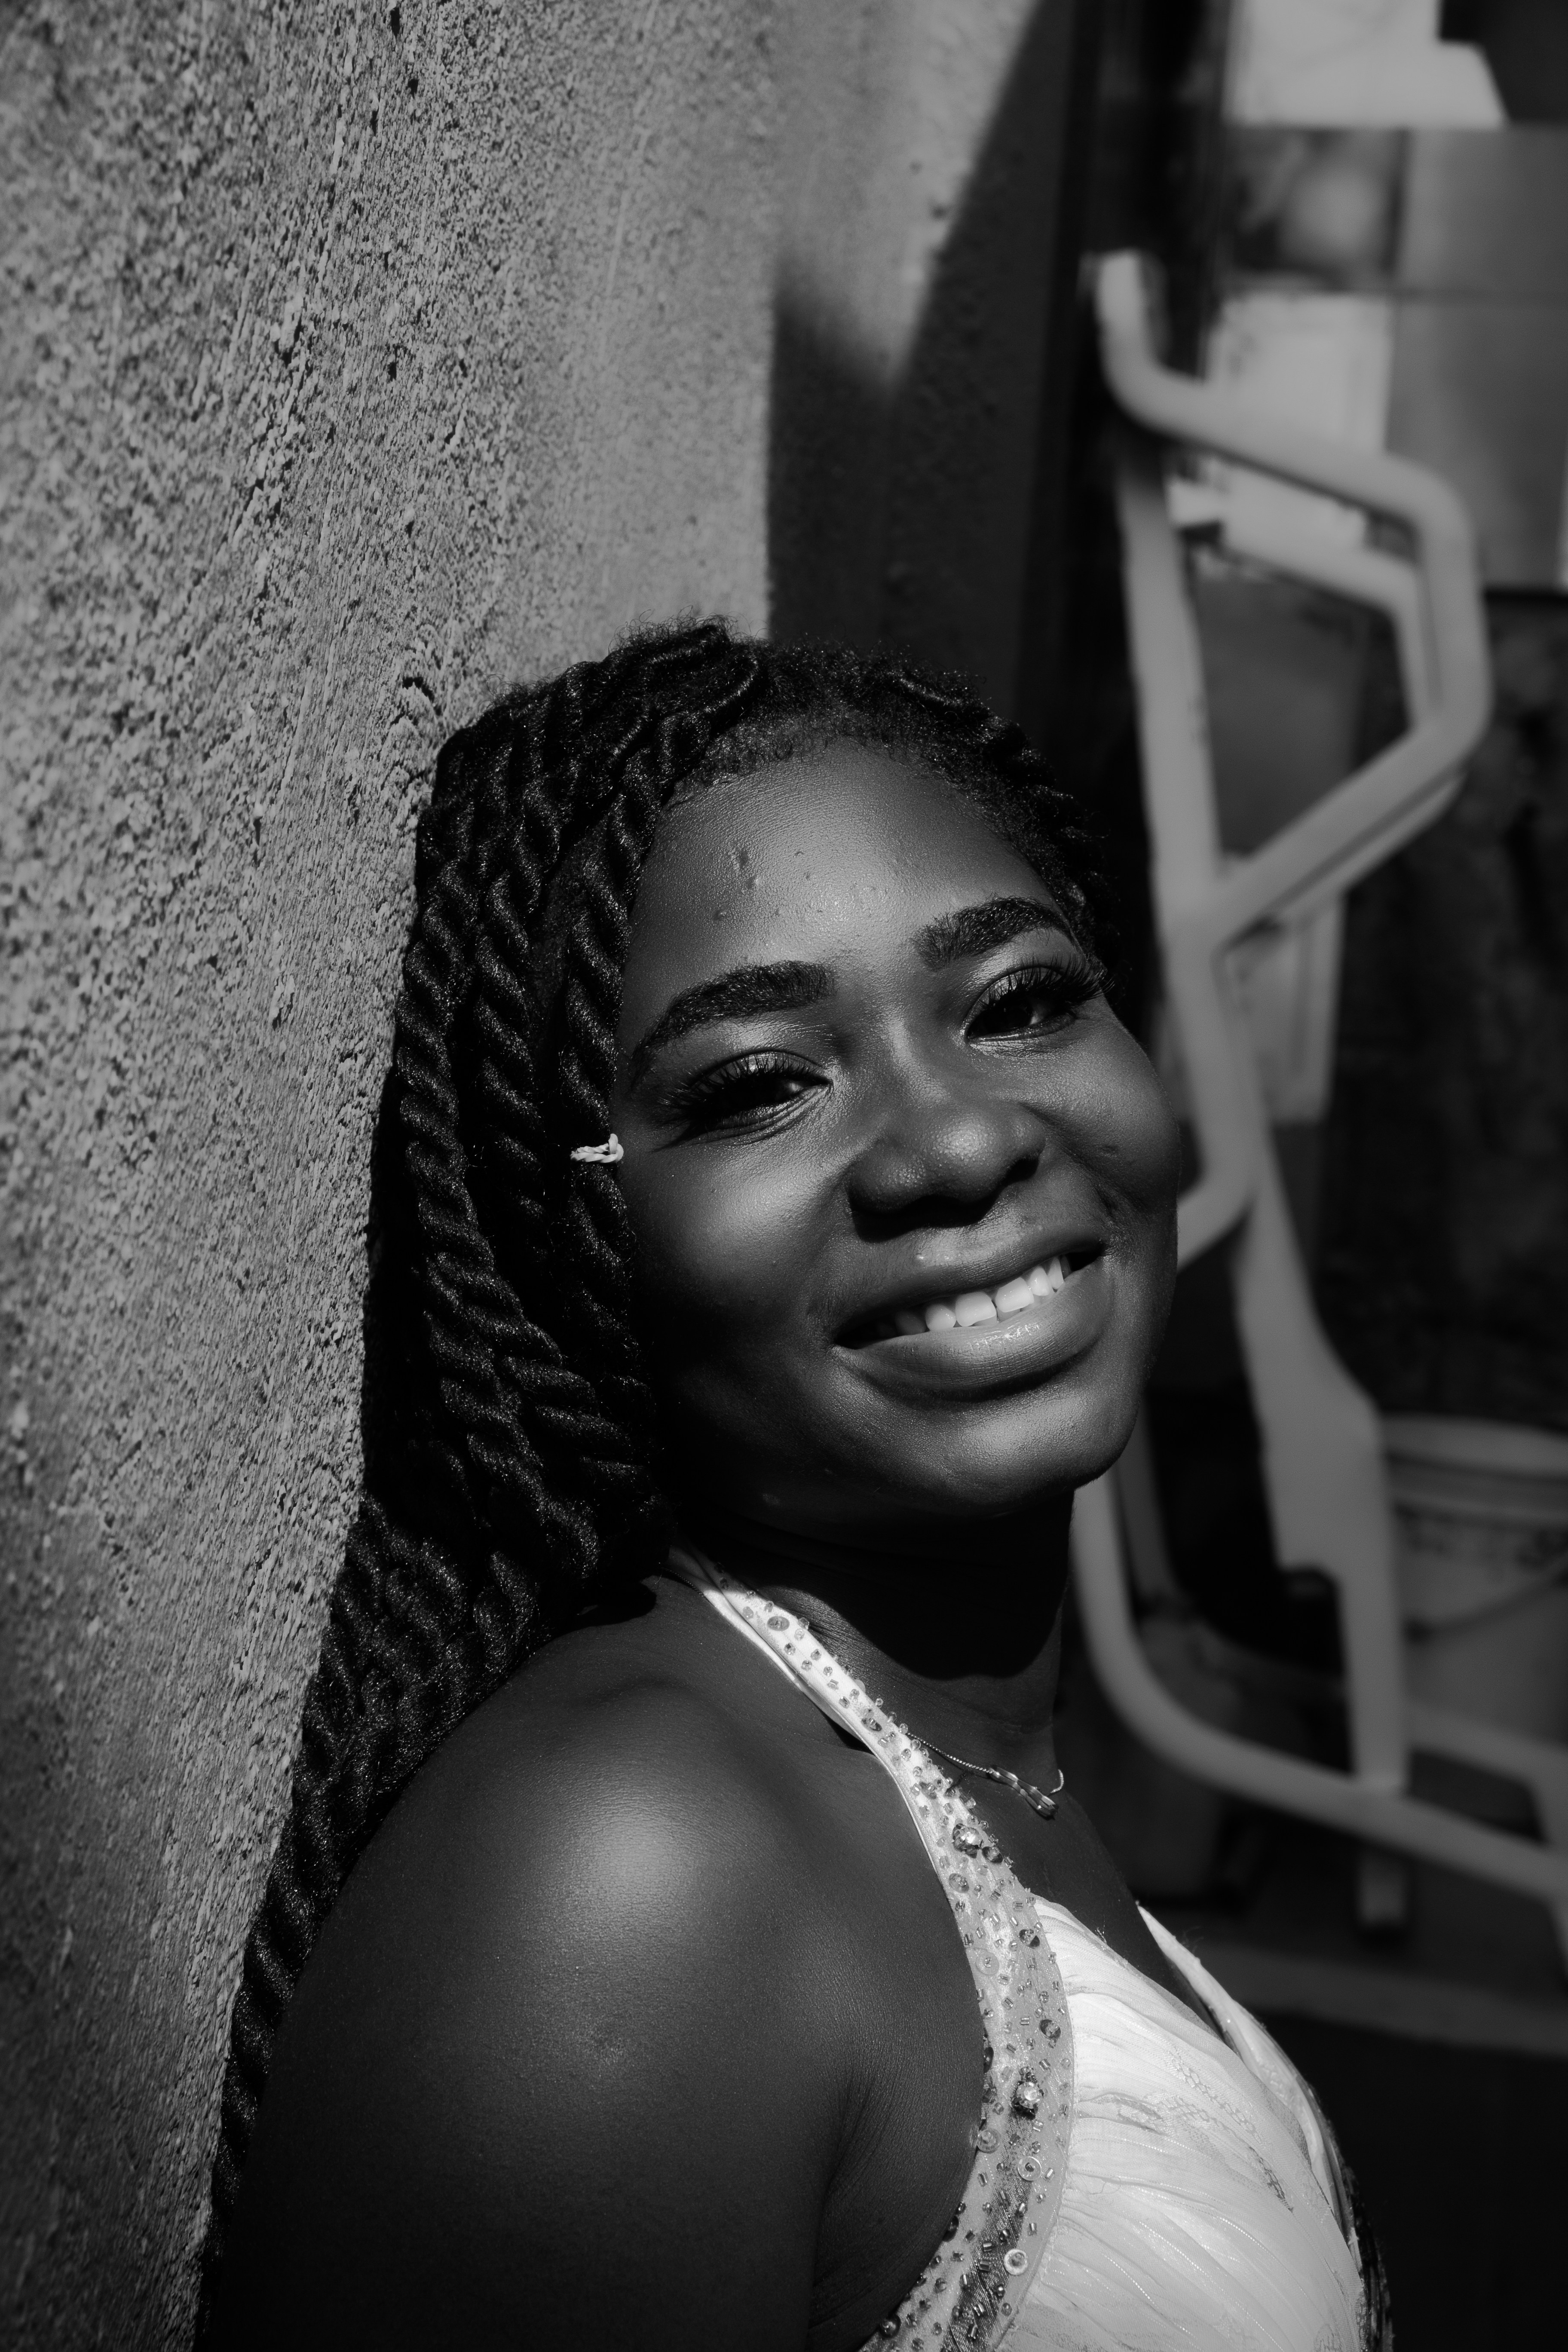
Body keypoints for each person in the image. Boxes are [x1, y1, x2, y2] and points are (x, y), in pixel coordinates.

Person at [198, 622, 1390, 2350]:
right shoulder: (629, 1882)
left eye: (1026, 1001)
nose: (960, 1142)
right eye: (760, 1086)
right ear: (558, 1228)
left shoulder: (969, 1737)